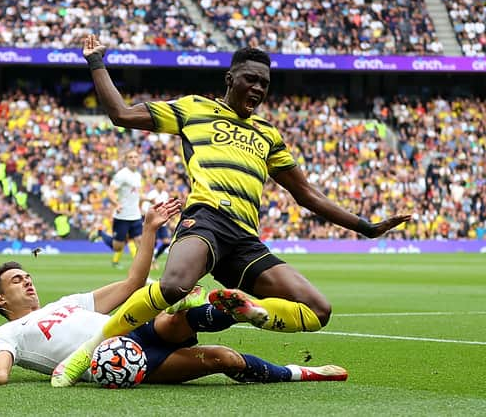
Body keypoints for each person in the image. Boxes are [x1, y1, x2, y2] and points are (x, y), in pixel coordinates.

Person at [52, 35, 411, 386]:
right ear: (230, 79)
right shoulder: (195, 109)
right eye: (250, 80)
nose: (258, 88)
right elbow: (121, 114)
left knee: (318, 310)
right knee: (176, 285)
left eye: (264, 84)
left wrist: (367, 227)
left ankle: (250, 311)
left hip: (244, 240)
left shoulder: (268, 135)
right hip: (206, 220)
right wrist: (96, 61)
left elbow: (307, 195)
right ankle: (87, 350)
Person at [0, 199, 348, 387]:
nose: (27, 281)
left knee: (170, 319)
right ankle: (304, 372)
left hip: (135, 332)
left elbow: (131, 286)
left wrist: (149, 229)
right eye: (16, 281)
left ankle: (230, 308)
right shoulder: (7, 333)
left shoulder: (67, 304)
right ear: (0, 301)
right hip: (121, 362)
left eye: (27, 275)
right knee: (223, 358)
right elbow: (1, 372)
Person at [95, 149, 143, 268]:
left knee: (141, 244)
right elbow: (110, 191)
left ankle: (140, 271)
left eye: (135, 157)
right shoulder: (122, 175)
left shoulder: (138, 175)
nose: (133, 159)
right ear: (126, 160)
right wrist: (116, 204)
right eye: (130, 157)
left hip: (135, 216)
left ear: (139, 159)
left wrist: (147, 200)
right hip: (122, 217)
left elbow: (135, 194)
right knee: (118, 247)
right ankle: (101, 233)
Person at [145, 177, 172, 269]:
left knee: (166, 242)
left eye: (162, 183)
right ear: (155, 184)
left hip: (162, 223)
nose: (160, 185)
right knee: (153, 243)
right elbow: (146, 207)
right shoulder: (151, 194)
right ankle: (150, 263)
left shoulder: (165, 194)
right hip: (153, 221)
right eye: (159, 183)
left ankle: (154, 258)